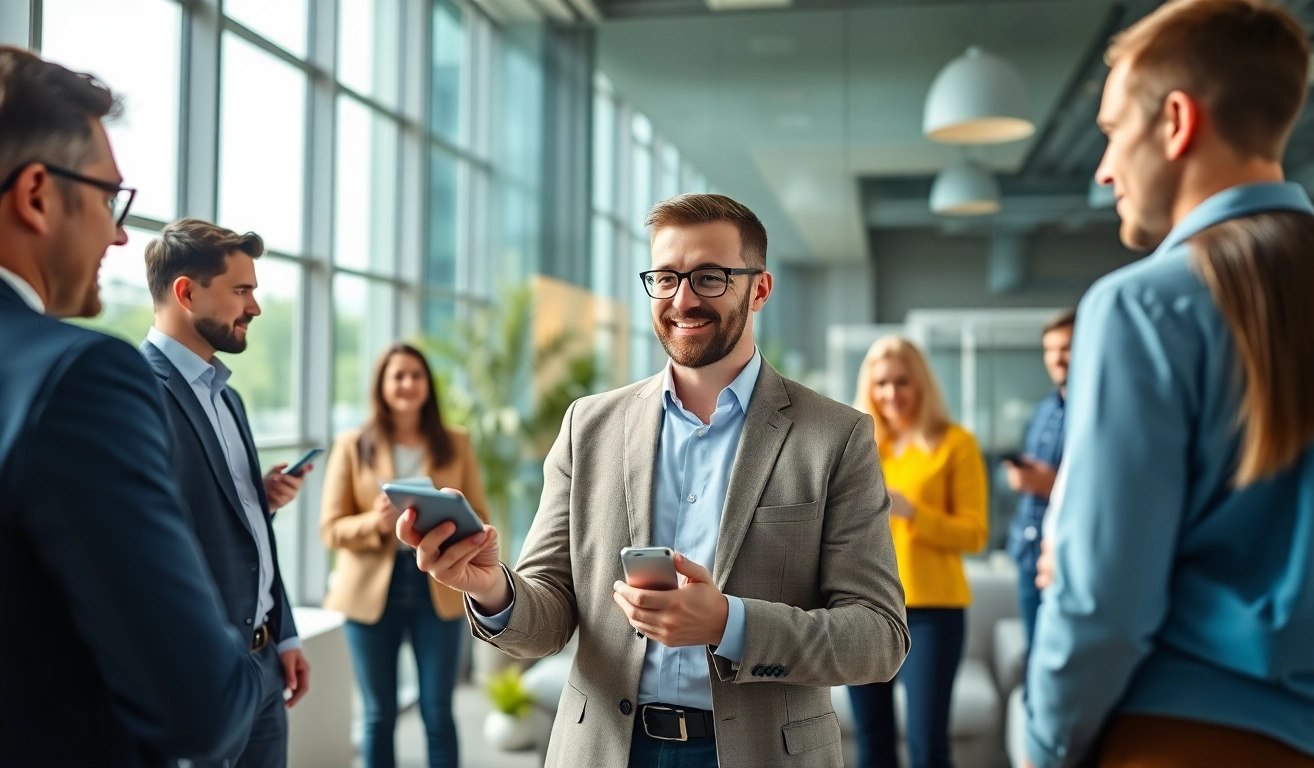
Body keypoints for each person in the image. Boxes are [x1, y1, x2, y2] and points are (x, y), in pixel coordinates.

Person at [398, 193, 909, 768]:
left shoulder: (835, 437)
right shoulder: (587, 427)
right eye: (665, 278)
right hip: (604, 751)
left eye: (709, 277)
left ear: (759, 289)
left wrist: (728, 623)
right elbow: (549, 615)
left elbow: (878, 637)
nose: (682, 299)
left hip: (761, 753)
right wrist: (491, 587)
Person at [1024, 2, 1314, 767]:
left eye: (1110, 132)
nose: (1104, 169)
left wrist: (1041, 741)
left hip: (1181, 733)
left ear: (1175, 121)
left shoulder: (1142, 305)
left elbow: (1106, 605)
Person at [0, 46, 263, 767]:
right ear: (36, 195)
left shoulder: (222, 399)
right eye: (109, 197)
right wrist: (248, 666)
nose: (119, 233)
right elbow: (198, 710)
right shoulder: (82, 376)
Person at [139, 219, 312, 767]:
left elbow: (242, 531)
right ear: (187, 293)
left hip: (263, 665)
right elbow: (144, 549)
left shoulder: (226, 395)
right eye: (242, 291)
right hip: (200, 673)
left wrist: (283, 635)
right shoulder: (140, 392)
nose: (255, 307)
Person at [320, 342, 489, 768]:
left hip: (438, 584)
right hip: (371, 591)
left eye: (416, 375)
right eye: (398, 375)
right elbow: (330, 528)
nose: (408, 383)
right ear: (381, 385)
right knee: (378, 715)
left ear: (427, 386)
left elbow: (481, 518)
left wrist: (447, 523)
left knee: (437, 711)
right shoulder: (352, 444)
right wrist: (374, 525)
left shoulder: (456, 442)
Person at [849, 336, 989, 768]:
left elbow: (975, 535)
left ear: (922, 383)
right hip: (864, 609)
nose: (891, 394)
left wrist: (911, 511)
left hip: (932, 614)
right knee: (872, 742)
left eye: (902, 382)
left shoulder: (955, 444)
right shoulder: (863, 445)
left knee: (928, 745)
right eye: (882, 383)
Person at [1004, 309, 1073, 653]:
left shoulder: (1095, 408)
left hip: (1066, 559)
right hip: (1029, 551)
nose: (1057, 358)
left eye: (1067, 348)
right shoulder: (1044, 409)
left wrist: (1053, 484)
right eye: (1050, 349)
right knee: (1036, 656)